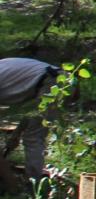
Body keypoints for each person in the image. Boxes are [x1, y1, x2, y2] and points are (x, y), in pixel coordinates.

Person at [0, 57, 58, 191]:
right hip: (55, 80)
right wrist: (16, 135)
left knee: (33, 138)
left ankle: (33, 188)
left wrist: (12, 186)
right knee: (32, 133)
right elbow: (31, 110)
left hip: (54, 84)